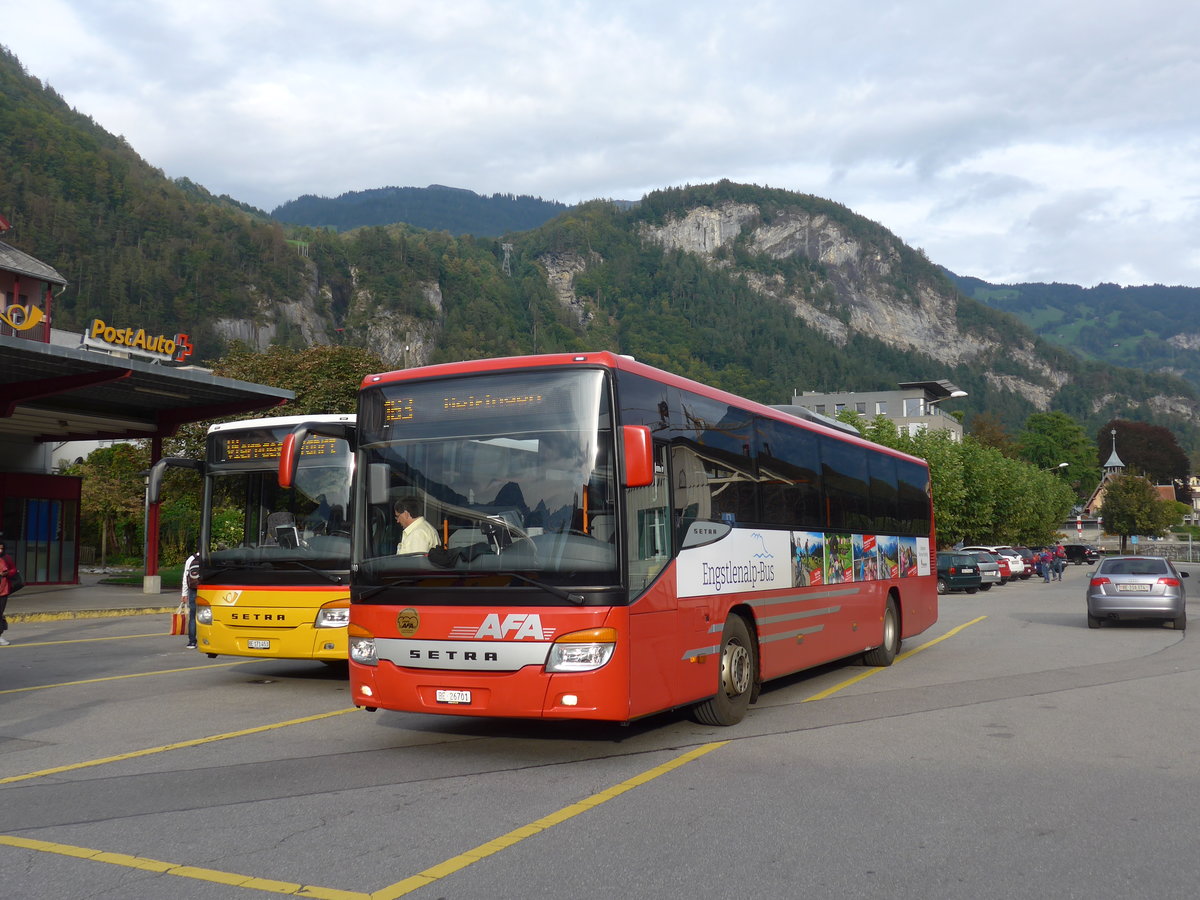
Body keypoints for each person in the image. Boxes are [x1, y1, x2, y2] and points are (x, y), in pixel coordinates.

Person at [182, 544, 199, 649]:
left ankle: (192, 642)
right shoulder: (210, 559)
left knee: (193, 615)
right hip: (207, 590)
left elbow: (186, 577)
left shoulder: (191, 559)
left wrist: (184, 593)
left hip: (193, 590)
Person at [0, 539, 16, 646]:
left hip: (3, 591)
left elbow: (13, 569)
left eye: (2, 548)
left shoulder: (6, 558)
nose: (0, 550)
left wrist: (7, 573)